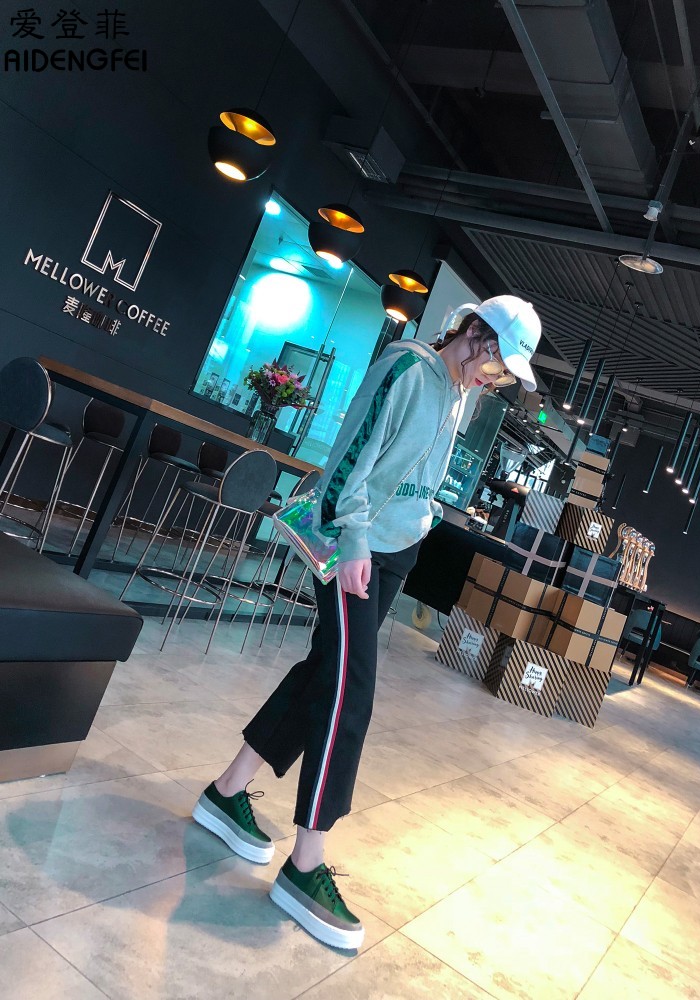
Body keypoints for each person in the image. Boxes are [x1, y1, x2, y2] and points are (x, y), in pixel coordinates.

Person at [191, 295, 542, 949]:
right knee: (350, 693)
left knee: (325, 672)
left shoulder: (457, 391)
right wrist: (353, 538)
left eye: (501, 374)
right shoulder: (407, 368)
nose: (493, 379)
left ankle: (227, 791)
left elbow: (415, 473)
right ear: (475, 334)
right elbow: (351, 458)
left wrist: (422, 519)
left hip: (394, 549)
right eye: (495, 364)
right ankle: (306, 864)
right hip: (353, 547)